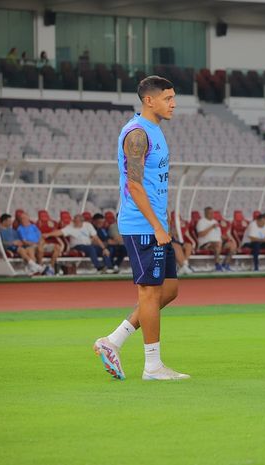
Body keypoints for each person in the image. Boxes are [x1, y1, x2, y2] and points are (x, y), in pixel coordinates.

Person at [93, 75, 189, 381]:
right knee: (149, 293)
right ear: (149, 100)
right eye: (168, 98)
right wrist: (157, 226)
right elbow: (134, 185)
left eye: (174, 98)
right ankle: (152, 366)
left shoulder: (155, 130)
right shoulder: (136, 134)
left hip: (155, 223)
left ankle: (113, 340)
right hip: (142, 225)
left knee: (169, 290)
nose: (174, 104)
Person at [44, 214, 114, 273]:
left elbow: (96, 238)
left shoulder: (88, 225)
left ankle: (109, 268)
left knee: (105, 250)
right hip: (77, 246)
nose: (74, 222)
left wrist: (104, 248)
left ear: (81, 222)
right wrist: (48, 234)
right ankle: (98, 267)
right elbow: (60, 232)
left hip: (88, 245)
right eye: (74, 220)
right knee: (91, 249)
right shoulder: (70, 227)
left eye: (76, 221)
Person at [196, 206, 232, 271]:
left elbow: (219, 235)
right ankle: (217, 265)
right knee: (218, 244)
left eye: (213, 213)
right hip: (206, 243)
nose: (212, 214)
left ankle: (226, 264)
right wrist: (211, 227)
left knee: (232, 245)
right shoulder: (201, 222)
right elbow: (201, 234)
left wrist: (226, 238)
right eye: (210, 213)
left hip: (218, 242)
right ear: (205, 213)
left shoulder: (215, 222)